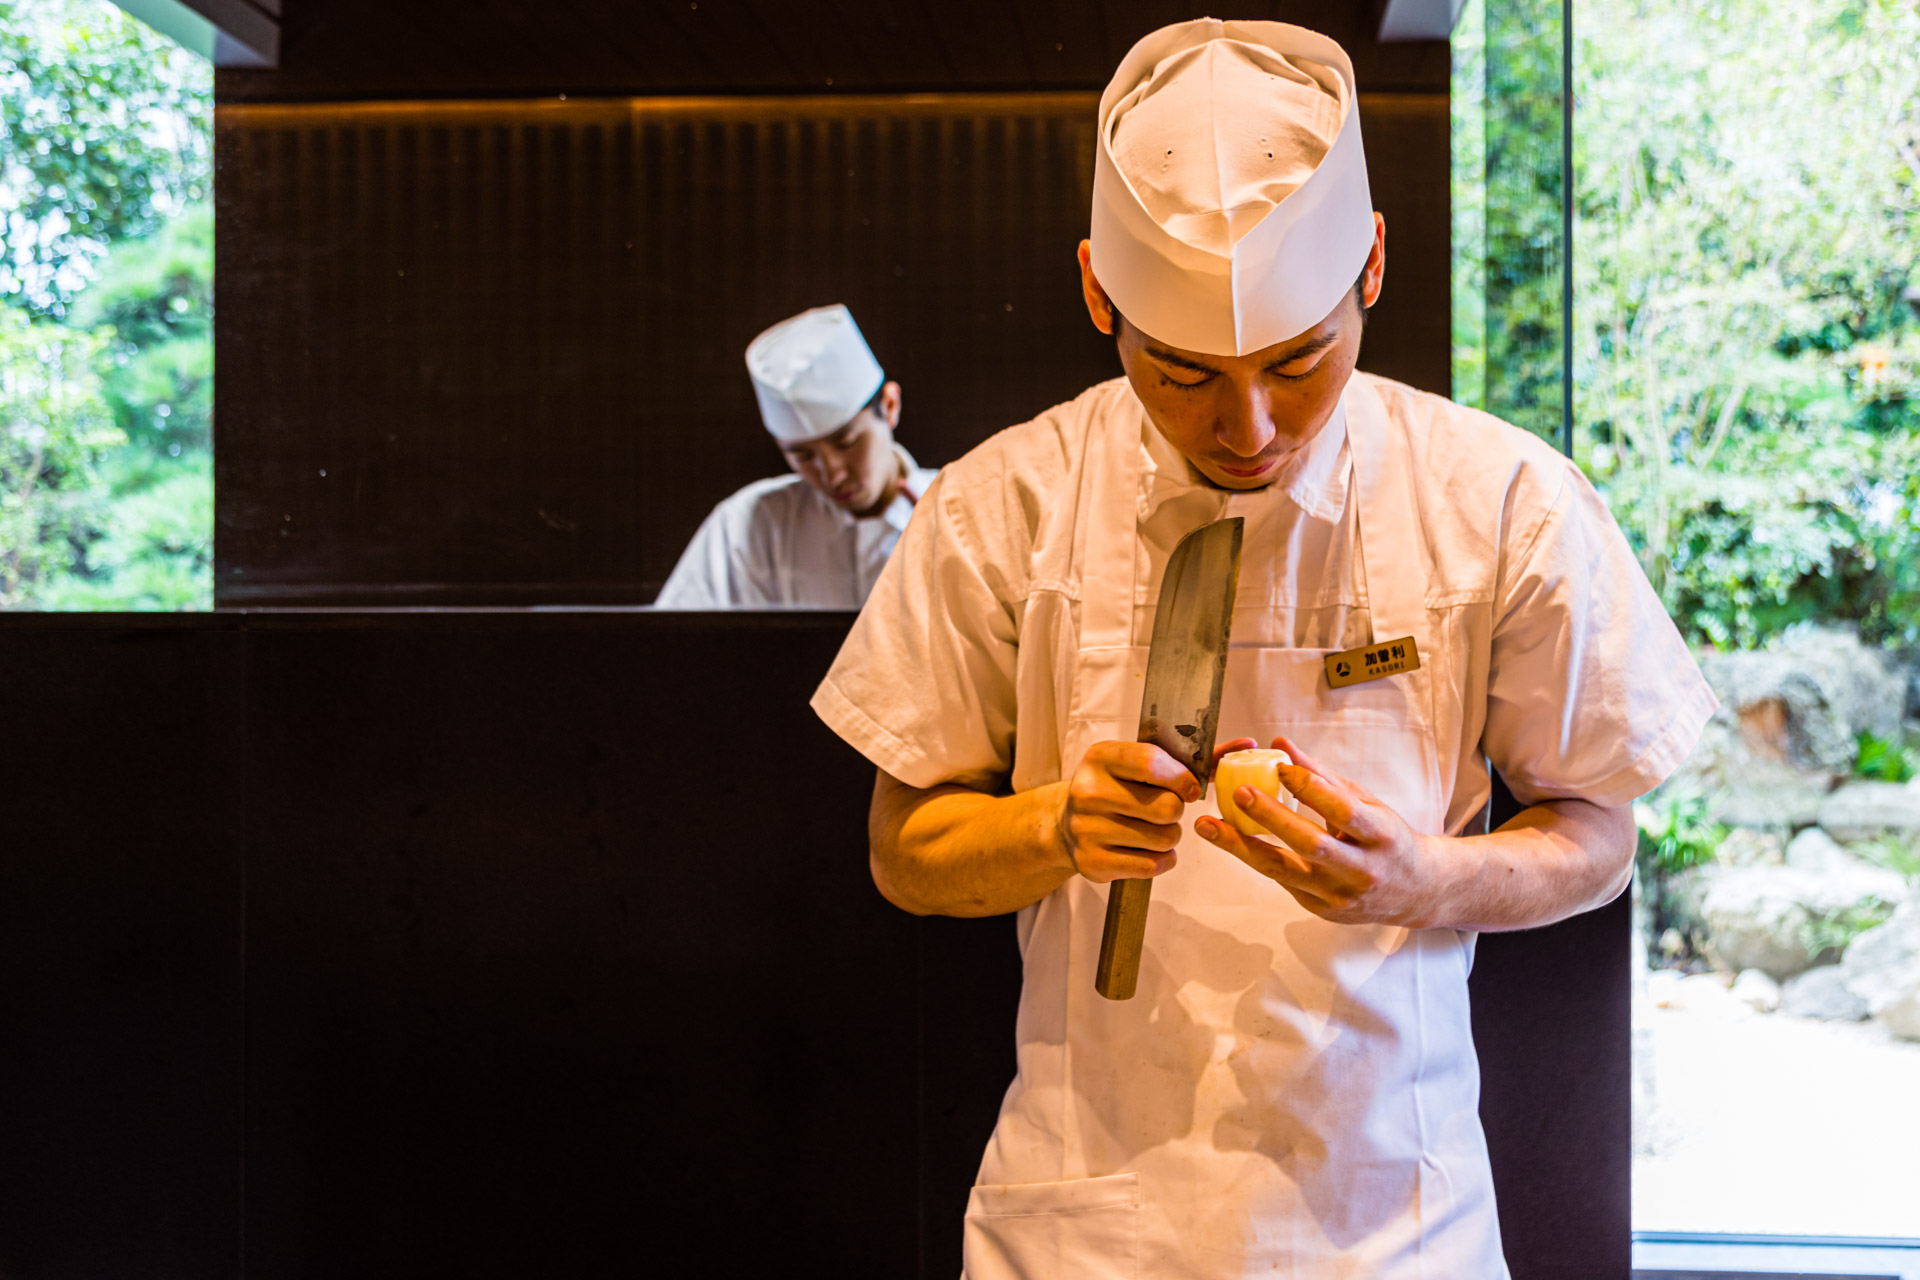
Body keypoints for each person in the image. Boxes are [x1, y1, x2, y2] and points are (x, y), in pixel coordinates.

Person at [811, 19, 1715, 1278]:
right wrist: (1055, 829)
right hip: (1081, 1230)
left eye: (1299, 363)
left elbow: (1600, 839)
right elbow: (902, 848)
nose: (1248, 427)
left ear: (1374, 266)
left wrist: (1423, 878)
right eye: (1180, 374)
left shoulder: (1502, 499)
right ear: (1095, 292)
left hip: (1398, 1226)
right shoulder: (1000, 504)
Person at [654, 304, 937, 608]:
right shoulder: (747, 526)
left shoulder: (957, 511)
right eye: (802, 455)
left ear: (890, 406)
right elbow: (672, 643)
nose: (832, 474)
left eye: (846, 442)